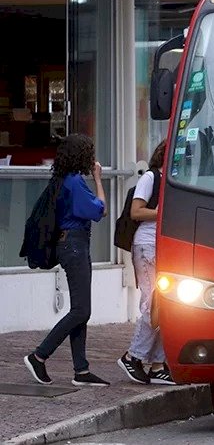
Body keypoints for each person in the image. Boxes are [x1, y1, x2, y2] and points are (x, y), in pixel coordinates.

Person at [24, 133, 109, 387]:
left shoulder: (62, 179)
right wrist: (98, 179)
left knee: (80, 310)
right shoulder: (74, 182)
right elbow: (99, 210)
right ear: (82, 155)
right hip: (74, 245)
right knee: (82, 310)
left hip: (72, 244)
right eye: (89, 153)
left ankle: (81, 370)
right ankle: (39, 355)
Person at [117, 140, 175, 385]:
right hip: (147, 246)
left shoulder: (172, 180)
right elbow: (136, 211)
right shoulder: (151, 177)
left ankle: (158, 365)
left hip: (163, 247)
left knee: (166, 306)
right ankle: (133, 356)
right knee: (152, 305)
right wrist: (164, 212)